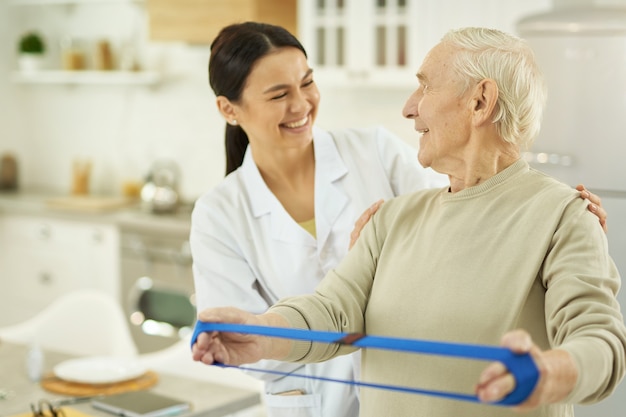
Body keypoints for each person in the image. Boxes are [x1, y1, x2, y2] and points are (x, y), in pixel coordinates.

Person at [191, 26, 626, 417]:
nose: (408, 108)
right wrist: (260, 332)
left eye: (424, 87)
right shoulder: (393, 218)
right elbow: (330, 311)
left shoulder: (562, 215)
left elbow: (601, 343)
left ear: (480, 101)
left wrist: (549, 372)